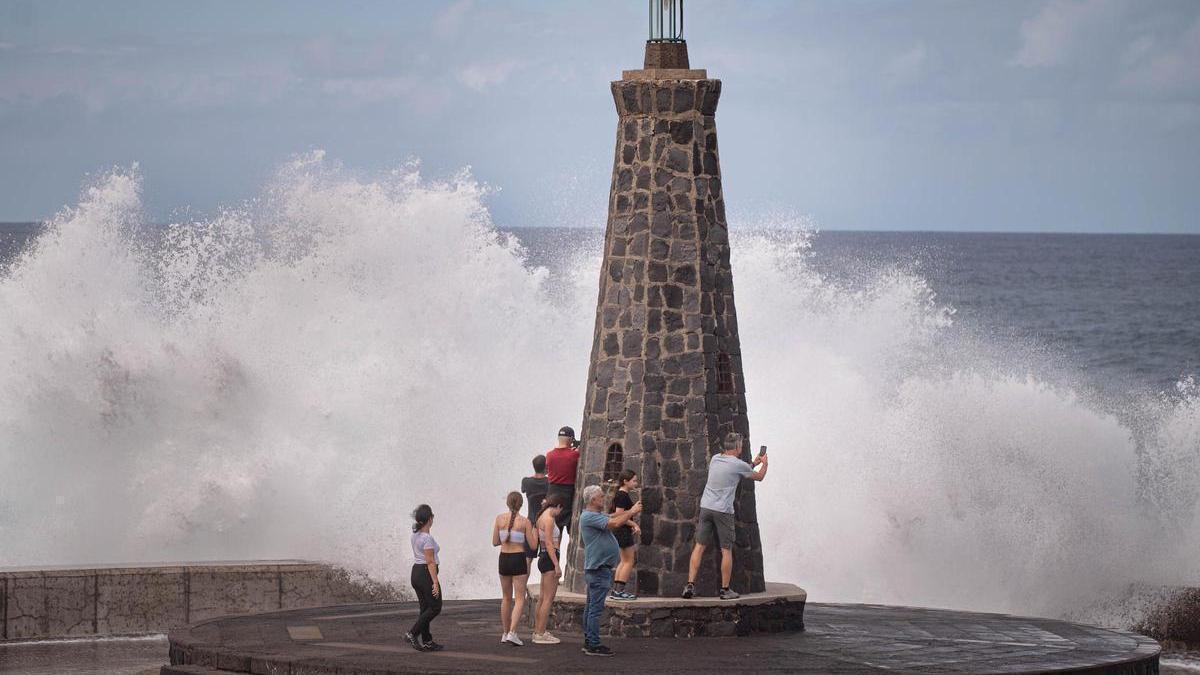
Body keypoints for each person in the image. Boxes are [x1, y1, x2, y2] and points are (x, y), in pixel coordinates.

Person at [681, 432, 768, 600]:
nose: (741, 448)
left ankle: (690, 585)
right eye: (740, 445)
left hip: (706, 507)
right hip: (723, 511)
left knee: (699, 546)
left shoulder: (715, 459)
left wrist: (752, 463)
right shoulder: (738, 464)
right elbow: (759, 477)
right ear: (736, 447)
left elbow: (736, 470)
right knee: (726, 550)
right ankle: (725, 590)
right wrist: (764, 464)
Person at [579, 483, 642, 656]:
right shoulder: (590, 517)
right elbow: (614, 522)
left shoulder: (594, 515)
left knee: (591, 607)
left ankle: (589, 641)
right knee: (595, 609)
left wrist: (627, 517)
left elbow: (613, 516)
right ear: (593, 500)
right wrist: (632, 511)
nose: (603, 498)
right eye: (600, 496)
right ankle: (592, 644)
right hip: (599, 569)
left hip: (598, 568)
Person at [493, 491, 535, 646]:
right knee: (519, 598)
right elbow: (532, 545)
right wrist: (535, 533)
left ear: (507, 503)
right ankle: (513, 632)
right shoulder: (525, 522)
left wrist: (506, 537)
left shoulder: (499, 519)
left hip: (503, 559)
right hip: (518, 559)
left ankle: (505, 633)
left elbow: (495, 542)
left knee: (505, 597)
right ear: (521, 504)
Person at [406, 504, 444, 652]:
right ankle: (412, 633)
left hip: (416, 573)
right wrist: (435, 581)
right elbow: (430, 561)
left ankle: (427, 640)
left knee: (425, 609)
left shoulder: (414, 535)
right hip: (425, 573)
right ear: (430, 519)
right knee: (435, 607)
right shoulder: (427, 538)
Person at [531, 493, 565, 644]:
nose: (560, 513)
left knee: (542, 597)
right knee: (548, 599)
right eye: (560, 510)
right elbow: (550, 543)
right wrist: (557, 565)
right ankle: (541, 633)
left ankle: (538, 630)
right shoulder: (549, 519)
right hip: (550, 558)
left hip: (543, 557)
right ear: (557, 506)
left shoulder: (540, 517)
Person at [608, 470, 642, 600]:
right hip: (622, 530)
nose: (636, 483)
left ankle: (616, 591)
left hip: (621, 530)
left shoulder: (622, 494)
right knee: (629, 561)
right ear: (625, 481)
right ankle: (619, 591)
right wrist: (634, 524)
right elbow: (619, 514)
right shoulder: (622, 495)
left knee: (624, 561)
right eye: (634, 480)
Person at [544, 426, 580, 534]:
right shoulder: (575, 455)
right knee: (571, 531)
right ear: (571, 440)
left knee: (554, 531)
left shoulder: (549, 455)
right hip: (568, 495)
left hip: (553, 493)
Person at [521, 455, 549, 566]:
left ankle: (522, 583)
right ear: (546, 467)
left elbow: (523, 490)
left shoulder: (526, 482)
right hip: (545, 523)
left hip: (531, 522)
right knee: (547, 557)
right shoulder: (549, 482)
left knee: (528, 558)